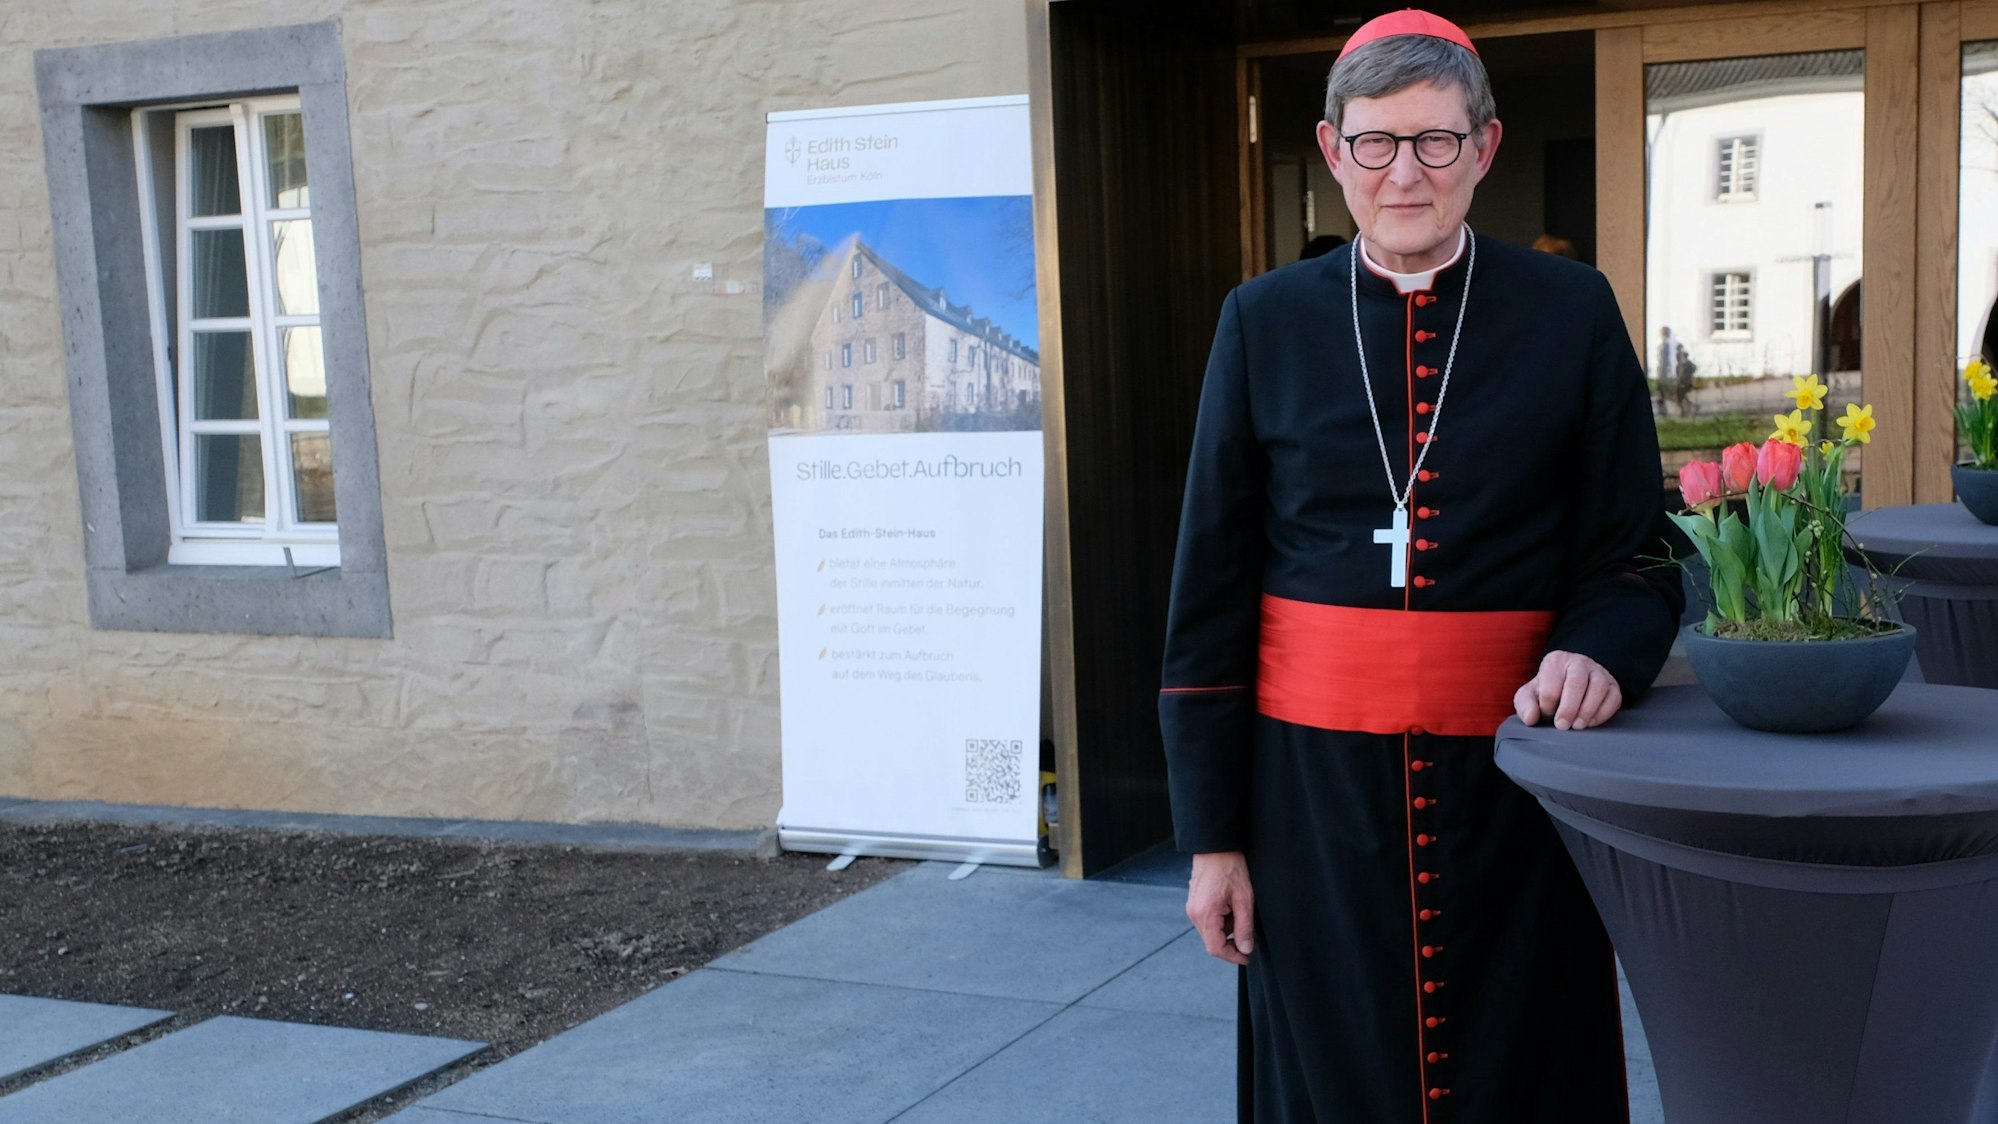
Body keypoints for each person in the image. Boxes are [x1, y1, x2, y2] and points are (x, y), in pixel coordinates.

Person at [1159, 10, 1681, 1123]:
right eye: (1377, 142)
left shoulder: (1571, 312)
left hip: (1519, 795)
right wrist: (1213, 839)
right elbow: (1208, 594)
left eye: (1436, 141)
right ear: (1334, 146)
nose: (1406, 172)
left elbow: (1637, 554)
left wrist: (1598, 650)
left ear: (1484, 148)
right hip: (1310, 804)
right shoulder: (1262, 322)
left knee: (1526, 1068)